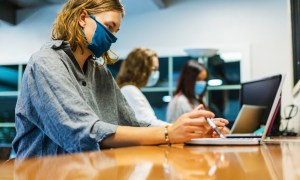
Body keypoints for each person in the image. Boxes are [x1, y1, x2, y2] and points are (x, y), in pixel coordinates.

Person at [12, 0, 228, 159]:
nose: (112, 37)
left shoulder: (100, 71)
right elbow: (83, 134)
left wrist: (190, 131)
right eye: (109, 26)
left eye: (116, 30)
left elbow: (132, 124)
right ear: (82, 18)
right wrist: (168, 133)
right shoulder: (46, 63)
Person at [116, 47, 169, 126]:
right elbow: (147, 123)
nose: (156, 73)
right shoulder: (129, 90)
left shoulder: (130, 89)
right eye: (154, 69)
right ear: (141, 70)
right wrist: (175, 127)